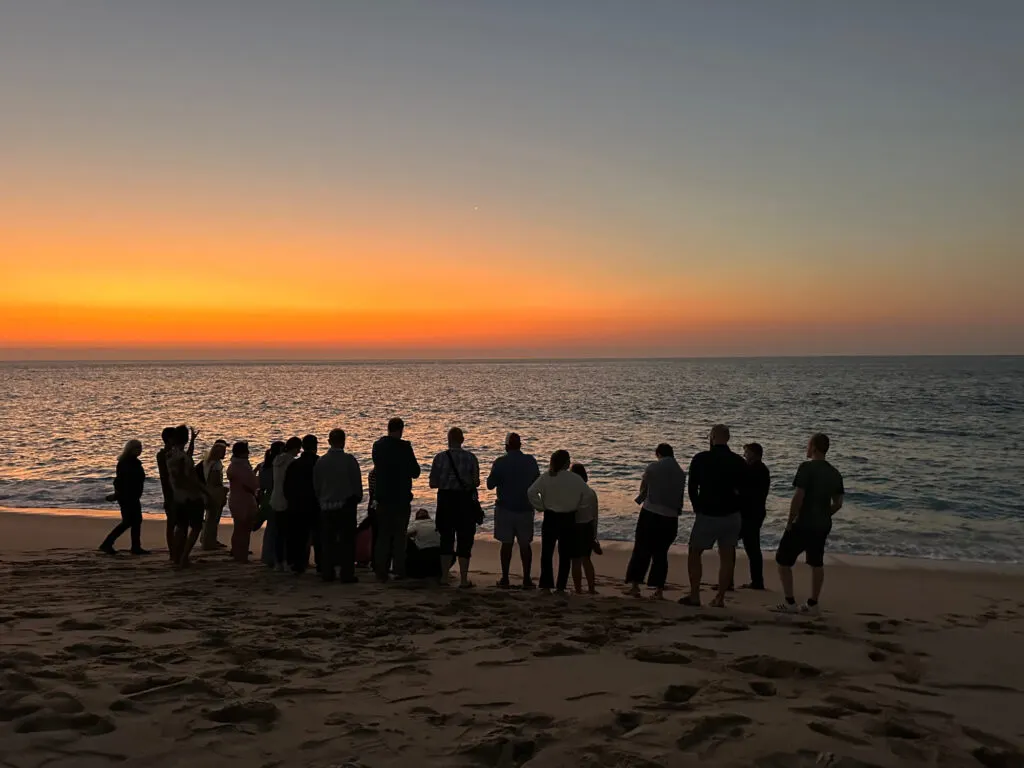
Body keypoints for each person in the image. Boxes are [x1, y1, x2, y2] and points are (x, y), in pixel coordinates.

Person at [775, 433, 845, 614]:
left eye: (808, 445)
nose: (806, 449)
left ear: (813, 447)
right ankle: (813, 603)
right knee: (816, 562)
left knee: (783, 560)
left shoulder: (806, 468)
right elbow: (838, 503)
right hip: (822, 524)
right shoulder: (834, 472)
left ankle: (790, 602)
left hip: (803, 522)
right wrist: (824, 513)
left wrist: (790, 520)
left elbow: (799, 496)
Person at [681, 425, 748, 608]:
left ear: (711, 437)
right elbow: (745, 491)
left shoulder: (701, 459)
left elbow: (692, 487)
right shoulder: (739, 461)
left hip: (708, 513)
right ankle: (720, 597)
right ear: (728, 438)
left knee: (695, 552)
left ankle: (695, 594)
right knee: (727, 556)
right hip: (732, 514)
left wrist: (697, 507)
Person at [625, 443, 687, 599]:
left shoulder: (653, 467)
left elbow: (644, 487)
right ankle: (658, 589)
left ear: (658, 454)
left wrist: (640, 498)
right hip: (670, 517)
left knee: (641, 549)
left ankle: (635, 586)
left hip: (651, 513)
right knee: (661, 553)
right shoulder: (681, 473)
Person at [527, 450, 588, 595]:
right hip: (568, 517)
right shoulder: (575, 478)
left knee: (547, 552)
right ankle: (560, 587)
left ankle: (546, 585)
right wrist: (578, 505)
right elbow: (587, 495)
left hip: (550, 516)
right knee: (565, 554)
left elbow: (531, 491)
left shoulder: (547, 477)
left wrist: (540, 506)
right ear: (567, 462)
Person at [487, 432, 541, 589]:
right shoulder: (530, 461)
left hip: (505, 508)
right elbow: (537, 482)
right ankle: (526, 578)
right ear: (520, 445)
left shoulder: (500, 462)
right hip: (525, 508)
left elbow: (490, 485)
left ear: (506, 446)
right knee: (525, 545)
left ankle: (505, 577)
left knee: (506, 544)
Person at [429, 427, 481, 588]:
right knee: (465, 540)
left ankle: (445, 576)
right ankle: (464, 579)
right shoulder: (471, 458)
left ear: (448, 439)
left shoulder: (439, 458)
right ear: (462, 440)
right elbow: (476, 482)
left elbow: (432, 483)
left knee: (446, 539)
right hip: (465, 502)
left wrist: (446, 481)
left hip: (445, 500)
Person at [371, 418, 421, 582]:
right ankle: (399, 569)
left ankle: (381, 571)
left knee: (383, 536)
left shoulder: (378, 447)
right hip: (401, 498)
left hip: (383, 497)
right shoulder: (405, 448)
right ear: (401, 429)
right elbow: (415, 471)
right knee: (400, 536)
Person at [314, 428, 364, 583]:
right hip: (345, 506)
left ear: (329, 442)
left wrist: (322, 499)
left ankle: (327, 572)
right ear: (344, 441)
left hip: (327, 506)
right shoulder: (349, 460)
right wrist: (357, 498)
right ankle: (346, 573)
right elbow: (357, 484)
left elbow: (316, 485)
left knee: (327, 542)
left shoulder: (321, 461)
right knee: (347, 542)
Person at [166, 425, 208, 566]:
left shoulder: (170, 455)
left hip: (178, 497)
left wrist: (192, 441)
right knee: (196, 527)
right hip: (191, 497)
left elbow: (187, 456)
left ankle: (176, 556)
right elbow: (191, 479)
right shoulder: (184, 459)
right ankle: (184, 556)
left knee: (181, 527)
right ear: (185, 439)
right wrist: (207, 492)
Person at [99, 440, 148, 555]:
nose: (140, 450)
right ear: (131, 449)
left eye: (140, 447)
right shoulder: (126, 463)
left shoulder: (133, 462)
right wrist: (118, 494)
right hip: (127, 496)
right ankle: (107, 543)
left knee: (135, 521)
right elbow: (119, 481)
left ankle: (135, 547)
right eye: (137, 448)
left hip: (133, 495)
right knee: (129, 521)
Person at [735, 442, 771, 590]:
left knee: (747, 546)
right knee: (752, 547)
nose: (744, 455)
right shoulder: (761, 469)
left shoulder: (755, 469)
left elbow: (745, 490)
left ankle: (754, 581)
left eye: (747, 452)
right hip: (756, 512)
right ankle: (757, 581)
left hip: (750, 513)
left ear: (755, 454)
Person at [283, 434, 320, 574]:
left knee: (298, 535)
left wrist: (291, 500)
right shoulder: (319, 462)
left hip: (297, 504)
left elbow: (287, 486)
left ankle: (298, 563)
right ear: (315, 446)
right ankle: (320, 563)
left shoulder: (294, 464)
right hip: (314, 504)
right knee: (317, 535)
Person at [270, 437, 302, 571]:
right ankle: (288, 561)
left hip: (275, 498)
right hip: (287, 500)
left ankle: (278, 561)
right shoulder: (291, 462)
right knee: (289, 534)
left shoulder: (276, 460)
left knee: (279, 533)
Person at [227, 441, 259, 563]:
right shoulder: (243, 467)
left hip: (234, 499)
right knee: (244, 531)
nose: (249, 453)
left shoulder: (233, 466)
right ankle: (242, 556)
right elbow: (254, 484)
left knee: (238, 529)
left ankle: (236, 553)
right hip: (245, 500)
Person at [570, 463, 599, 595]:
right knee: (586, 559)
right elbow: (595, 515)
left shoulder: (570, 492)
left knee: (575, 560)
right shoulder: (590, 492)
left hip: (574, 527)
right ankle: (591, 588)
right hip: (587, 527)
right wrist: (594, 535)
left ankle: (578, 589)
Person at [258, 441, 285, 567]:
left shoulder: (263, 466)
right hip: (278, 496)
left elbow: (261, 485)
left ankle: (267, 556)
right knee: (280, 529)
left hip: (267, 497)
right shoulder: (280, 465)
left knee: (270, 529)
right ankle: (277, 557)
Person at [200, 440, 229, 551]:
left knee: (209, 518)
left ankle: (208, 540)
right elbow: (215, 480)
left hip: (208, 491)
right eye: (223, 451)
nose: (225, 454)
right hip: (215, 492)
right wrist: (223, 489)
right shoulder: (216, 464)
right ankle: (209, 542)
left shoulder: (207, 462)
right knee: (213, 519)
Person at [155, 427, 178, 559]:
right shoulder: (164, 455)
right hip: (170, 492)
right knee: (172, 523)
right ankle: (172, 551)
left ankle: (174, 550)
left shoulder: (169, 454)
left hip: (171, 491)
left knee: (174, 522)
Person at [406, 509, 442, 579]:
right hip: (440, 556)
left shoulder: (416, 524)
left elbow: (404, 534)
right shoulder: (435, 524)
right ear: (428, 516)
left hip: (425, 556)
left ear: (416, 517)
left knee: (403, 539)